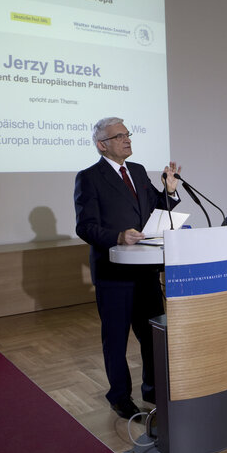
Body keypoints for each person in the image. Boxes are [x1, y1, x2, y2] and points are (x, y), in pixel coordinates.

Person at [74, 116, 181, 419]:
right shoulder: (89, 177)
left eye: (128, 134)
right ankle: (119, 396)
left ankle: (152, 388)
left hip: (145, 270)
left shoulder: (137, 170)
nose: (127, 139)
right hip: (114, 274)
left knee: (151, 335)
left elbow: (154, 212)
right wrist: (118, 236)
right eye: (119, 136)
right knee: (116, 339)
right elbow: (85, 227)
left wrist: (169, 191)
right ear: (102, 145)